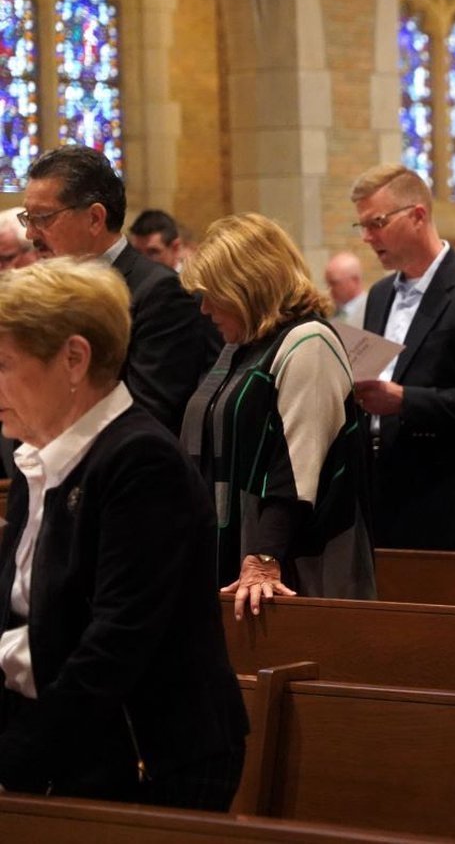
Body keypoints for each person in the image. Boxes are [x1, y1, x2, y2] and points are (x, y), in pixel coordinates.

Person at [0, 258, 247, 807]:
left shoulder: (140, 461)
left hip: (145, 757)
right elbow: (21, 615)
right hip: (66, 738)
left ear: (73, 358)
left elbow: (117, 642)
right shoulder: (38, 455)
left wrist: (19, 757)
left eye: (3, 363)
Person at [180, 213, 377, 616]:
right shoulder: (241, 346)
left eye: (213, 293)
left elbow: (297, 464)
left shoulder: (310, 342)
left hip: (293, 565)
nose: (204, 308)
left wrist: (263, 557)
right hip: (232, 546)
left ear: (248, 287)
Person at [352, 164, 455, 551]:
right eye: (361, 226)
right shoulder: (379, 295)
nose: (366, 237)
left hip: (447, 506)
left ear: (418, 215)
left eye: (376, 223)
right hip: (378, 497)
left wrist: (404, 401)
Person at [22, 145, 220, 434]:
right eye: (28, 219)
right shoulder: (45, 292)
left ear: (95, 219)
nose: (30, 234)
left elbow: (148, 412)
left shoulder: (158, 293)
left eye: (43, 218)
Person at [324, 250, 368, 325]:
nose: (329, 289)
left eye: (334, 283)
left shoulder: (372, 309)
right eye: (328, 283)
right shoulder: (328, 314)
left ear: (355, 280)